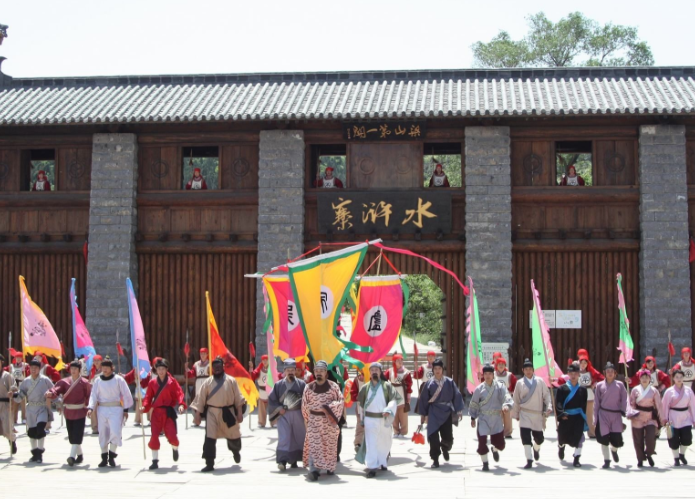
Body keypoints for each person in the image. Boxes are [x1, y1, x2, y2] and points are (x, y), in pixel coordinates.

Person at [191, 356, 246, 472]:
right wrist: (197, 415)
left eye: (219, 366)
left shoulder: (231, 381)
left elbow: (238, 398)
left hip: (228, 412)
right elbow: (200, 399)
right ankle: (209, 462)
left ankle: (235, 451)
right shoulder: (207, 382)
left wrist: (239, 413)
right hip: (212, 413)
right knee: (209, 438)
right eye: (214, 367)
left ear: (223, 367)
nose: (217, 369)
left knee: (234, 436)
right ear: (212, 368)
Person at [356, 362, 401, 478]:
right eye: (372, 370)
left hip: (384, 418)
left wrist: (389, 410)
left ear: (380, 372)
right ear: (369, 373)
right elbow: (360, 405)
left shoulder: (387, 386)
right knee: (371, 444)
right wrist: (361, 419)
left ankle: (382, 461)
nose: (374, 372)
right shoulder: (365, 387)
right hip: (370, 419)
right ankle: (372, 467)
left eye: (376, 370)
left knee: (384, 443)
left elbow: (393, 401)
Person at [417, 358, 464, 469]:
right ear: (433, 370)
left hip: (446, 411)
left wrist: (459, 410)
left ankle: (445, 447)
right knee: (433, 436)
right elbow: (423, 399)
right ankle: (435, 459)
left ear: (442, 369)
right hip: (433, 411)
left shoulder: (449, 382)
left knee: (448, 437)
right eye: (435, 368)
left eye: (439, 368)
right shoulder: (429, 383)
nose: (437, 371)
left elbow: (456, 395)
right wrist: (423, 415)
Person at [301, 360, 344, 482]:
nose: (319, 373)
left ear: (326, 373)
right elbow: (304, 405)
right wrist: (307, 419)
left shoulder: (334, 387)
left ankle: (330, 467)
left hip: (329, 422)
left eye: (321, 371)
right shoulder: (308, 387)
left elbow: (340, 402)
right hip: (314, 421)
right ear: (314, 372)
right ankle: (313, 470)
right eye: (317, 371)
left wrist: (329, 409)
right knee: (314, 445)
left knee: (328, 446)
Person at [87, 356, 133, 468]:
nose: (105, 369)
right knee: (102, 433)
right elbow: (93, 395)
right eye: (103, 367)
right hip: (102, 408)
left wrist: (125, 409)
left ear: (112, 368)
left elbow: (126, 394)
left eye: (107, 367)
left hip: (116, 408)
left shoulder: (118, 379)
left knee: (115, 432)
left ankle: (112, 456)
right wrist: (91, 407)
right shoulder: (97, 380)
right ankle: (104, 457)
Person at [45, 359, 92, 466]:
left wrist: (89, 408)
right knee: (72, 435)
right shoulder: (64, 381)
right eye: (72, 369)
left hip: (80, 411)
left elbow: (89, 396)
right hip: (69, 411)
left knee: (77, 434)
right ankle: (80, 455)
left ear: (79, 370)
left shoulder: (85, 383)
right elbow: (56, 389)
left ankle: (71, 457)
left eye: (75, 369)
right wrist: (50, 393)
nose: (73, 371)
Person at [141, 358, 186, 470]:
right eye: (159, 369)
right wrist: (144, 406)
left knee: (172, 435)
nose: (160, 371)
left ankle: (175, 448)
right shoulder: (152, 383)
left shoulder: (172, 382)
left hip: (168, 412)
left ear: (166, 370)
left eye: (163, 369)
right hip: (156, 413)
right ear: (156, 370)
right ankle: (155, 461)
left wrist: (181, 404)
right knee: (154, 435)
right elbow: (148, 397)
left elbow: (179, 393)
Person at [469, 363, 513, 471]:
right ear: (483, 375)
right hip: (483, 417)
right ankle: (485, 463)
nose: (488, 376)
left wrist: (506, 405)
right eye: (486, 374)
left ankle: (495, 449)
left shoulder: (500, 386)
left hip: (496, 418)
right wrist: (473, 418)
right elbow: (474, 403)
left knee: (501, 444)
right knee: (482, 442)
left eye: (490, 373)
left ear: (493, 375)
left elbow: (506, 396)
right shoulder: (479, 389)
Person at [10, 356, 54, 463]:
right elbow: (21, 394)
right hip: (30, 408)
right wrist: (14, 395)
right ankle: (34, 453)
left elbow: (54, 391)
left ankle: (39, 452)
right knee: (32, 431)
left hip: (42, 407)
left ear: (39, 369)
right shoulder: (26, 381)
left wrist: (57, 399)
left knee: (40, 429)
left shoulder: (45, 380)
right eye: (32, 367)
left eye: (36, 367)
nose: (33, 369)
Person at [511, 358, 552, 469]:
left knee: (539, 438)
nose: (528, 371)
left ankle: (536, 448)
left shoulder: (540, 381)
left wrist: (549, 406)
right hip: (525, 413)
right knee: (525, 437)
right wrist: (516, 414)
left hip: (537, 413)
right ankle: (529, 459)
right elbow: (516, 399)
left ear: (533, 370)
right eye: (526, 369)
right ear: (523, 370)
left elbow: (546, 396)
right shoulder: (520, 383)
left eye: (530, 369)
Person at [268, 359, 307, 471]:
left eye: (292, 370)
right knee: (284, 437)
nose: (290, 372)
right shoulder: (278, 385)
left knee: (297, 437)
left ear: (295, 371)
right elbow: (272, 400)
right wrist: (279, 409)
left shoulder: (302, 384)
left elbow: (307, 399)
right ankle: (282, 460)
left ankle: (294, 460)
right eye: (288, 370)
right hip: (284, 415)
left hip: (298, 413)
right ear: (284, 371)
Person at [593, 362, 627, 469]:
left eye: (612, 371)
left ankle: (614, 450)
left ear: (615, 373)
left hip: (616, 414)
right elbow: (596, 403)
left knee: (617, 439)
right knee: (604, 439)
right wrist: (595, 418)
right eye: (608, 371)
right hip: (603, 414)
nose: (610, 373)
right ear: (604, 373)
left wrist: (623, 410)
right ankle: (606, 460)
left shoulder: (620, 385)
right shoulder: (599, 385)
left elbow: (624, 399)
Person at [626, 368, 662, 467]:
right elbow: (631, 403)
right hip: (638, 416)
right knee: (638, 439)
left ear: (650, 379)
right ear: (639, 379)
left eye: (646, 377)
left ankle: (649, 453)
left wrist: (662, 419)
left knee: (651, 437)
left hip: (650, 416)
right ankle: (640, 458)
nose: (644, 379)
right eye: (642, 377)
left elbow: (659, 405)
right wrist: (630, 413)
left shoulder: (654, 390)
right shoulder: (635, 390)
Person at [555, 362, 588, 467]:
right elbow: (558, 403)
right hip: (566, 416)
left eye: (575, 373)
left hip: (578, 417)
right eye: (571, 373)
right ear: (568, 374)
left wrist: (583, 417)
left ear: (579, 374)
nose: (573, 376)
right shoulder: (562, 389)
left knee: (579, 438)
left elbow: (584, 405)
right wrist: (561, 414)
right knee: (562, 437)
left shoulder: (583, 389)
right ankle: (561, 446)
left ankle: (577, 458)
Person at [661, 368, 695, 466]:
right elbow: (665, 406)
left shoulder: (688, 391)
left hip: (686, 417)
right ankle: (676, 458)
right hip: (673, 417)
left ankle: (682, 454)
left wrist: (694, 419)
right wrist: (665, 419)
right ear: (673, 379)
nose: (679, 379)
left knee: (687, 437)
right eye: (677, 377)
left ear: (683, 378)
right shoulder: (669, 391)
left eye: (681, 377)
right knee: (673, 439)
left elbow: (692, 405)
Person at [123, 359, 155, 426]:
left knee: (150, 404)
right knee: (139, 405)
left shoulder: (150, 370)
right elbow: (128, 377)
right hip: (139, 389)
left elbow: (149, 379)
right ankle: (138, 419)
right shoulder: (136, 369)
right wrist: (123, 376)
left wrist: (142, 379)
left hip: (148, 389)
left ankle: (151, 419)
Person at [388, 353, 412, 437]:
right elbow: (383, 379)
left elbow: (409, 384)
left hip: (402, 393)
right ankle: (396, 431)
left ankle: (403, 431)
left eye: (401, 360)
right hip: (393, 393)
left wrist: (408, 395)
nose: (400, 362)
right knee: (393, 413)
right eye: (398, 360)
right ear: (394, 362)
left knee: (403, 414)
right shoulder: (390, 371)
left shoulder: (406, 372)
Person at [493, 357, 516, 438]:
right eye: (499, 364)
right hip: (496, 398)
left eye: (503, 364)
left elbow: (515, 385)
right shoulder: (493, 374)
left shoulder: (510, 375)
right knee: (497, 416)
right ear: (496, 365)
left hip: (507, 398)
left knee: (507, 416)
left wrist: (511, 392)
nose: (501, 366)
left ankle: (508, 433)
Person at [0, 354, 17, 456]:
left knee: (7, 429)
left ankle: (12, 440)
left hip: (5, 404)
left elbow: (14, 387)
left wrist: (12, 392)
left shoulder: (7, 375)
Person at [251, 354, 270, 428]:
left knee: (273, 407)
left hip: (270, 391)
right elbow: (253, 375)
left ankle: (273, 421)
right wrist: (251, 369)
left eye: (266, 360)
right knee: (262, 408)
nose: (265, 362)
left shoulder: (271, 369)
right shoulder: (259, 370)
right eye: (263, 360)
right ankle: (262, 422)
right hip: (262, 391)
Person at [350, 368, 366, 452]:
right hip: (360, 406)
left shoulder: (375, 377)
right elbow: (353, 393)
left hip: (373, 407)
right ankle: (358, 443)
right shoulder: (357, 380)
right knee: (360, 424)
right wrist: (358, 396)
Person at [8, 352, 26, 424]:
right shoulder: (11, 366)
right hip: (14, 385)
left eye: (20, 358)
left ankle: (24, 418)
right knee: (14, 403)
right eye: (17, 358)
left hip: (22, 385)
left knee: (23, 403)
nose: (18, 359)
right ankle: (14, 419)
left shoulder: (25, 365)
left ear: (22, 359)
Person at [88, 354, 103, 434]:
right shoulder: (92, 370)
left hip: (102, 393)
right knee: (93, 410)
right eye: (95, 361)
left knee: (100, 411)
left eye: (98, 360)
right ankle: (94, 427)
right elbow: (90, 380)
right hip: (94, 392)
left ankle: (102, 427)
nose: (96, 362)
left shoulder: (103, 370)